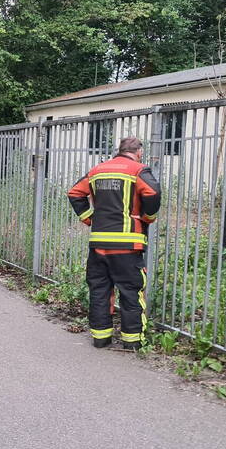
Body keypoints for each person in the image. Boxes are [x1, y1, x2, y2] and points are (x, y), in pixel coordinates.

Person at [67, 136, 161, 350]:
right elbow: (153, 193)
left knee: (99, 290)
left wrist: (89, 217)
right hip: (128, 244)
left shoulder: (97, 170)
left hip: (98, 243)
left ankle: (101, 338)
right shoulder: (138, 170)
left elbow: (74, 193)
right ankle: (132, 342)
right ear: (138, 152)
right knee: (130, 291)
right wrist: (148, 217)